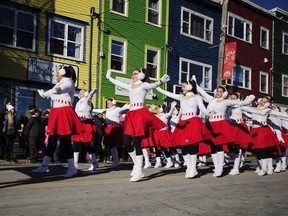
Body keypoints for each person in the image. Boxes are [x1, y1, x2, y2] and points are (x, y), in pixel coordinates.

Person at [106, 68, 169, 182]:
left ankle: (139, 171)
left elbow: (153, 85)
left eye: (135, 73)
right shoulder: (131, 86)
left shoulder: (144, 85)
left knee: (137, 142)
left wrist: (160, 82)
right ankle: (136, 165)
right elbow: (119, 83)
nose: (132, 75)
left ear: (141, 75)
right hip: (131, 114)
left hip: (140, 113)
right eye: (132, 73)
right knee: (126, 142)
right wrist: (109, 78)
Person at [33, 66, 83, 178]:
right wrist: (44, 94)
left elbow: (63, 88)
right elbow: (51, 92)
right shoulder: (58, 84)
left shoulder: (68, 82)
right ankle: (45, 165)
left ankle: (72, 167)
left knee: (65, 141)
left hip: (64, 111)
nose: (56, 76)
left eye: (57, 74)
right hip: (56, 112)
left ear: (62, 73)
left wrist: (57, 90)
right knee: (51, 140)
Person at [156, 77, 212, 178]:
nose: (182, 88)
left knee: (190, 145)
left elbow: (202, 108)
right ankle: (189, 167)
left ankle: (193, 168)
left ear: (190, 86)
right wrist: (158, 87)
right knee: (182, 145)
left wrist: (208, 113)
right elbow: (169, 94)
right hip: (182, 123)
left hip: (192, 122)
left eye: (183, 86)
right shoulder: (182, 97)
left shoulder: (197, 97)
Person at [196, 82, 255, 177]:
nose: (218, 93)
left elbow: (238, 103)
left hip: (220, 124)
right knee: (213, 148)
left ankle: (220, 168)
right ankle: (216, 167)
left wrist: (246, 101)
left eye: (220, 92)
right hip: (211, 125)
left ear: (224, 93)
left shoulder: (226, 101)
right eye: (217, 91)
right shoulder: (212, 100)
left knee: (219, 147)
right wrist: (196, 85)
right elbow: (203, 93)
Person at [92, 98, 129, 168]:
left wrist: (131, 105)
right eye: (107, 102)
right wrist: (90, 108)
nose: (107, 104)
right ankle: (115, 161)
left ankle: (116, 161)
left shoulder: (117, 109)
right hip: (108, 128)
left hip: (115, 128)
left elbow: (125, 107)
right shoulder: (106, 110)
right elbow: (97, 110)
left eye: (109, 102)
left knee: (116, 145)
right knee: (110, 145)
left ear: (113, 103)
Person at [72, 88, 98, 171]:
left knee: (87, 145)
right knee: (75, 144)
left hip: (86, 124)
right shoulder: (77, 103)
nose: (80, 93)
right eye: (79, 92)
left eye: (82, 92)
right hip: (79, 124)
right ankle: (75, 164)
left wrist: (91, 93)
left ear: (86, 93)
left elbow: (89, 97)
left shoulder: (87, 101)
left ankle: (94, 163)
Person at [228, 92, 252, 175]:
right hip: (230, 127)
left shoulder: (240, 107)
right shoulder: (228, 107)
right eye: (231, 98)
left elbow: (250, 112)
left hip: (239, 127)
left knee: (238, 148)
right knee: (229, 147)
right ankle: (239, 160)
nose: (232, 100)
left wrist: (259, 114)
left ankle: (236, 168)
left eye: (234, 98)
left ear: (237, 99)